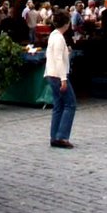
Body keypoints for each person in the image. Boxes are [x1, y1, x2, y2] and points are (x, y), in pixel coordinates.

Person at [44, 9, 76, 149]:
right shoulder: (59, 38)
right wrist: (63, 78)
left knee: (58, 105)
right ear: (66, 23)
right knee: (70, 104)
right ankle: (62, 136)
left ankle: (55, 135)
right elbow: (58, 59)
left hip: (51, 74)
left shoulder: (53, 35)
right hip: (58, 75)